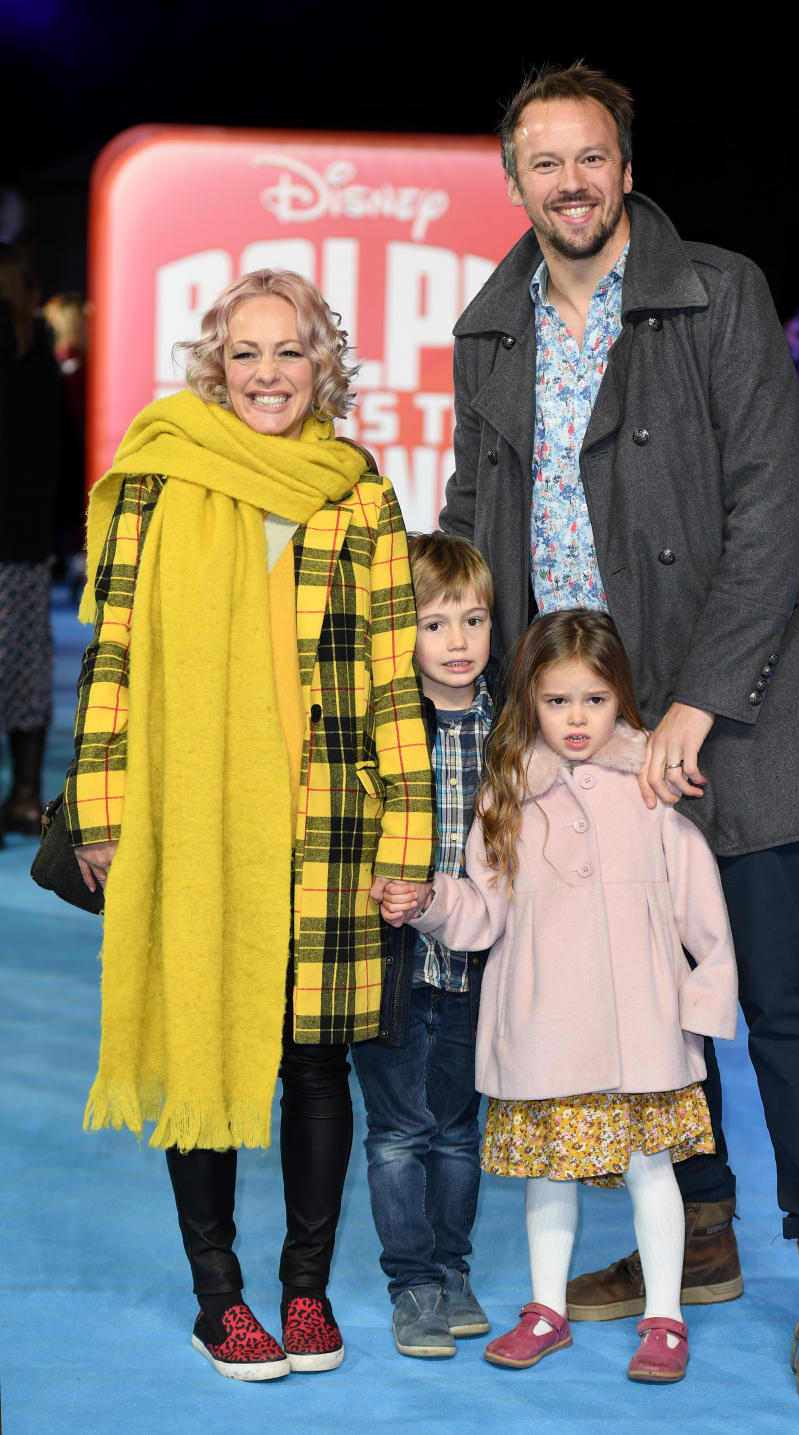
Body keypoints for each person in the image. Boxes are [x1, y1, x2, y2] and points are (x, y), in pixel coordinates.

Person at [441, 63, 799, 1405]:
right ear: (512, 178)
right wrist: (462, 666)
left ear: (625, 167)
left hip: (726, 718)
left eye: (591, 158)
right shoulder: (492, 326)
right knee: (631, 1009)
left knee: (779, 996)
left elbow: (773, 510)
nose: (568, 183)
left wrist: (696, 699)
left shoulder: (722, 291)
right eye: (543, 163)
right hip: (574, 738)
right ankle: (702, 1231)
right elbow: (475, 506)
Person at [65, 269, 435, 1381]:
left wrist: (408, 837)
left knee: (314, 1059)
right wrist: (99, 807)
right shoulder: (156, 475)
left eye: (291, 351)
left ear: (325, 365)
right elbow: (114, 651)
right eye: (246, 352)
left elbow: (391, 678)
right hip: (189, 815)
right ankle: (219, 1297)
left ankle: (306, 1290)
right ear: (212, 365)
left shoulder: (358, 491)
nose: (269, 374)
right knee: (201, 1043)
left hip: (328, 823)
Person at [382, 611, 738, 1382]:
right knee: (550, 1172)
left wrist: (704, 1007)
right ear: (529, 702)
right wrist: (433, 899)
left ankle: (665, 1316)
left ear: (622, 700)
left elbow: (701, 911)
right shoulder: (507, 796)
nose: (577, 720)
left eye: (595, 700)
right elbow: (483, 912)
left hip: (640, 1029)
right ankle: (547, 1309)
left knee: (652, 1169)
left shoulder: (653, 786)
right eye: (557, 702)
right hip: (543, 1030)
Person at [352, 532, 497, 1358]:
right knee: (399, 1130)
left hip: (475, 962)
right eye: (436, 624)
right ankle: (412, 1282)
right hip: (392, 961)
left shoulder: (506, 724)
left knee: (458, 1128)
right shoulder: (386, 723)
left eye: (473, 620)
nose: (457, 643)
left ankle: (453, 1266)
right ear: (402, 632)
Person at [0, 243, 77, 844]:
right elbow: (61, 451)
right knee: (23, 670)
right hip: (22, 540)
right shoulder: (37, 356)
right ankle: (24, 797)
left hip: (20, 533)